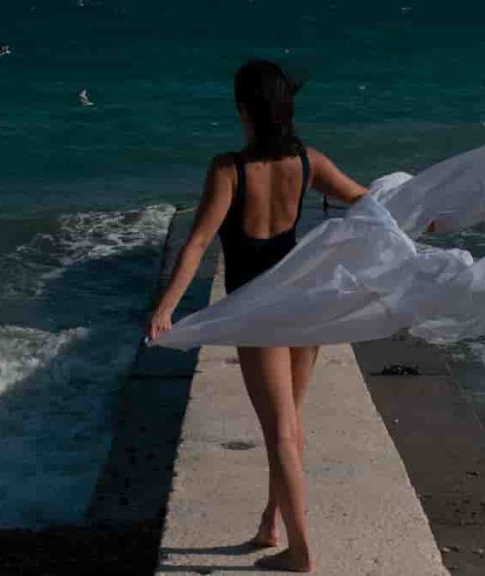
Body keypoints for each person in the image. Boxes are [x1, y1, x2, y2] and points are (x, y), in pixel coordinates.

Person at [147, 59, 366, 572]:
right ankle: (271, 524)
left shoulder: (230, 169)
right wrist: (425, 218)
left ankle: (302, 553)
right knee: (291, 423)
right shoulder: (308, 162)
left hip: (262, 313)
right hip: (305, 306)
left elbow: (198, 242)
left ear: (244, 109)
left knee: (282, 433)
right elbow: (365, 200)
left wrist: (166, 307)